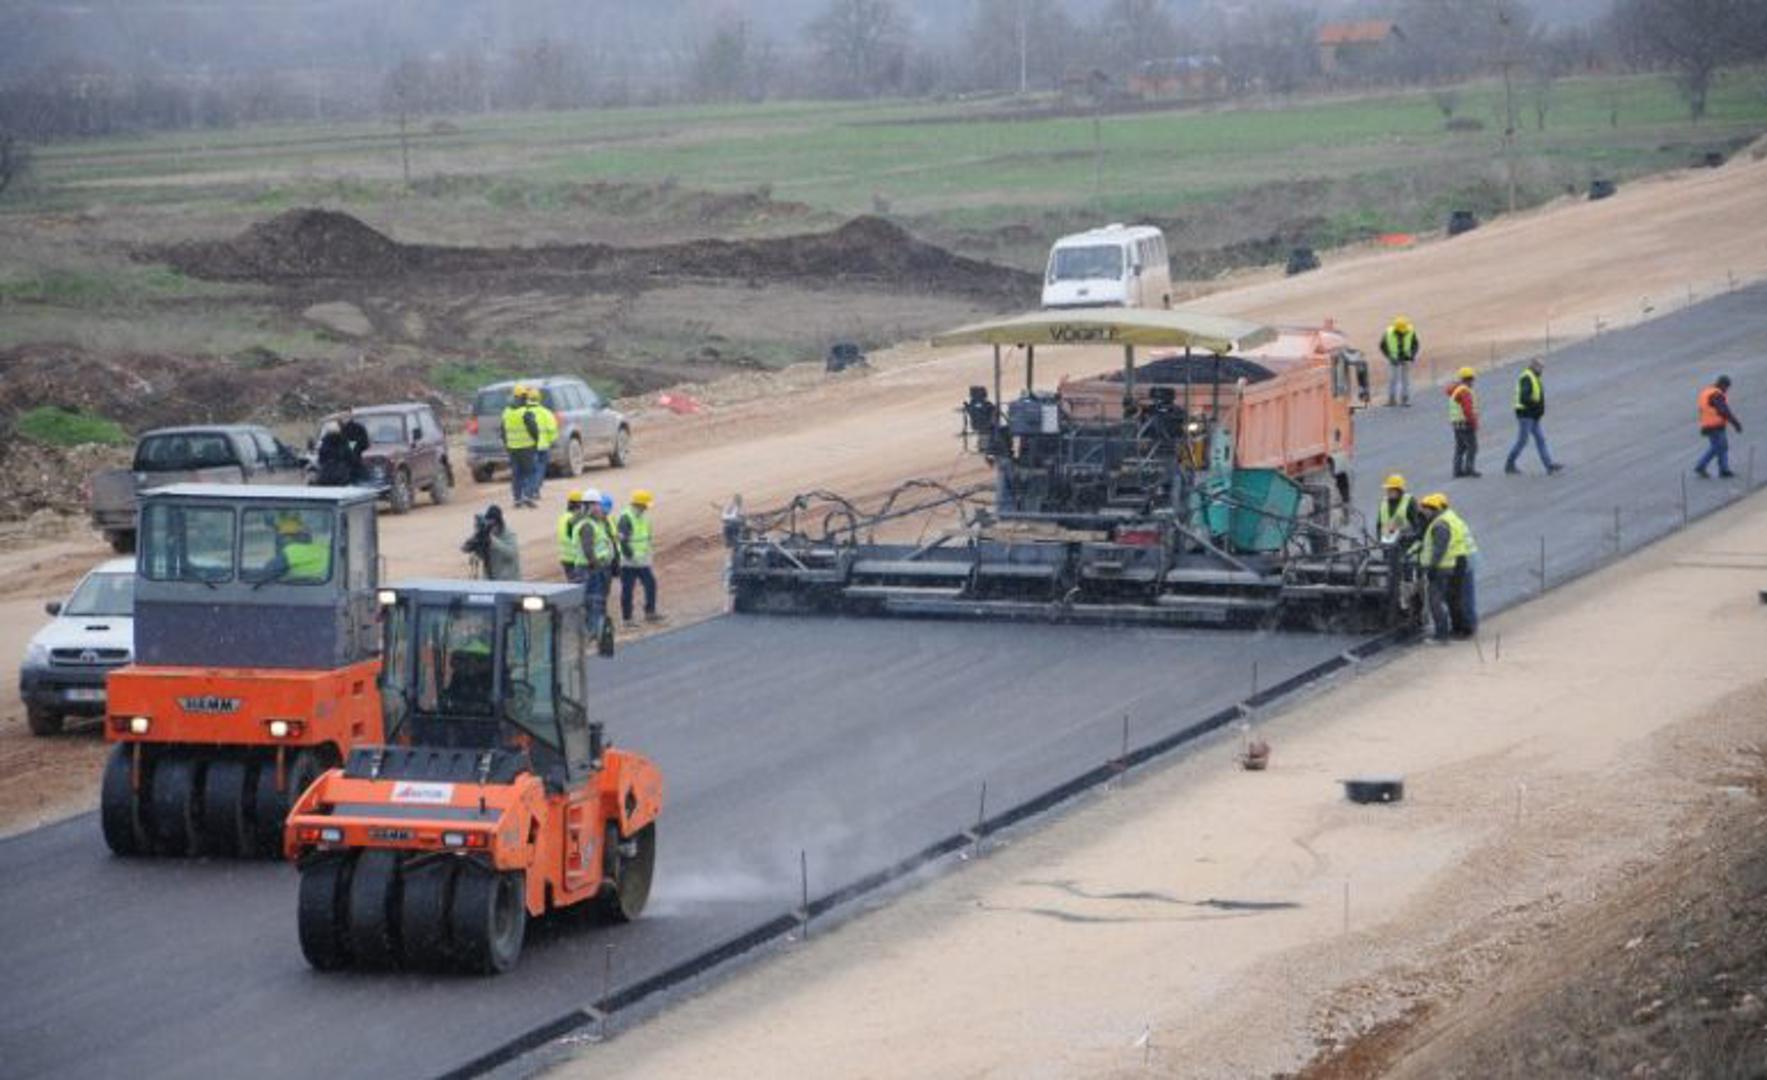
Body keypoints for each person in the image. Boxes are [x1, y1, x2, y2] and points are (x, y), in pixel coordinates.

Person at [1418, 492, 1478, 642]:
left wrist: (1431, 567)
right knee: (1455, 598)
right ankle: (1462, 629)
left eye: (1427, 509)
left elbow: (1439, 548)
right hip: (1458, 561)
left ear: (1435, 509)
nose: (1424, 512)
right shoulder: (1451, 518)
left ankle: (1444, 633)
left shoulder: (1440, 524)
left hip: (1446, 565)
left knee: (1437, 600)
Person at [1504, 358, 1562, 475]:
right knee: (1522, 441)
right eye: (1540, 367)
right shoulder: (1527, 377)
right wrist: (1536, 407)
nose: (1542, 370)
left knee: (1540, 439)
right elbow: (1524, 397)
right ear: (1534, 366)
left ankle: (1549, 466)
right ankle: (1509, 464)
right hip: (1526, 414)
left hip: (1533, 415)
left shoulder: (1534, 377)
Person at [578, 488, 619, 649]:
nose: (599, 508)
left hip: (600, 568)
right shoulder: (587, 526)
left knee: (599, 600)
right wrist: (596, 564)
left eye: (599, 505)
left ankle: (598, 630)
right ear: (589, 506)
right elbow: (588, 549)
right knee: (593, 600)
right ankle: (592, 631)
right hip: (591, 569)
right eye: (596, 505)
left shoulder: (598, 523)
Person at [617, 489, 661, 626]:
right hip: (629, 563)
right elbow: (623, 542)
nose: (647, 508)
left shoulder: (644, 518)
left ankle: (650, 612)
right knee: (627, 590)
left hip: (642, 561)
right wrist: (631, 556)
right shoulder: (625, 518)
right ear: (639, 504)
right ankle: (627, 619)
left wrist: (647, 554)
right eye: (645, 505)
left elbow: (647, 538)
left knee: (651, 584)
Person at [1694, 375, 1743, 479]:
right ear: (1722, 385)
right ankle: (1701, 466)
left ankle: (1723, 469)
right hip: (1715, 426)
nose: (1727, 390)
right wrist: (1736, 423)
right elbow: (1724, 411)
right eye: (1727, 387)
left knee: (1721, 446)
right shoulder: (1716, 395)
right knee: (1718, 447)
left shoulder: (1707, 391)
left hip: (1708, 425)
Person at [501, 385, 541, 509]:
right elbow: (534, 430)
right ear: (524, 397)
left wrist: (507, 445)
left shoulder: (506, 412)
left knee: (516, 474)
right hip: (527, 447)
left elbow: (503, 432)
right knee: (531, 472)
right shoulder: (525, 412)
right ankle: (528, 495)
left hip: (513, 448)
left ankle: (517, 499)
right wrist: (536, 442)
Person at [463, 505, 521, 580]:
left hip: (508, 579)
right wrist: (476, 545)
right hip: (490, 577)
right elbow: (466, 549)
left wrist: (493, 541)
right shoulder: (485, 534)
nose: (492, 528)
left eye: (494, 525)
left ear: (499, 523)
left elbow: (511, 554)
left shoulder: (509, 534)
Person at [526, 387, 559, 506]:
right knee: (540, 469)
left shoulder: (524, 412)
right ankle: (535, 490)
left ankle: (529, 490)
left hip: (528, 447)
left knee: (530, 469)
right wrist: (551, 441)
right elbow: (552, 429)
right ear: (539, 399)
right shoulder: (546, 413)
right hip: (543, 446)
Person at [1448, 366, 1480, 478]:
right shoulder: (1465, 392)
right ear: (1469, 379)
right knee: (1472, 447)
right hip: (1465, 423)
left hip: (1456, 424)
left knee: (1460, 447)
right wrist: (1474, 423)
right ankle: (1469, 469)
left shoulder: (1456, 390)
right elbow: (1467, 410)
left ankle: (1457, 470)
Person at [1380, 315, 1420, 407]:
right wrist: (1389, 357)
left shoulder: (1410, 331)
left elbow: (1415, 345)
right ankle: (1391, 400)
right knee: (1392, 379)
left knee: (1405, 379)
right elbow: (1382, 346)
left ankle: (1405, 399)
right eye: (1401, 331)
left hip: (1406, 358)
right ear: (1396, 329)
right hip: (1394, 359)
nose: (1402, 332)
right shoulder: (1388, 333)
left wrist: (1412, 355)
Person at [1376, 473, 1422, 547]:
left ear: (1399, 490)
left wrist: (1411, 537)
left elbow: (1418, 524)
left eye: (1391, 489)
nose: (1388, 491)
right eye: (1388, 489)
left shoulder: (1409, 501)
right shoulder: (1384, 503)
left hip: (1406, 545)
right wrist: (1380, 540)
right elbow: (1379, 525)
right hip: (1388, 546)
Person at [557, 490, 588, 583]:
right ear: (578, 504)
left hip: (565, 557)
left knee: (572, 586)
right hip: (575, 558)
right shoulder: (574, 519)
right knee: (581, 586)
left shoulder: (563, 517)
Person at [338, 408, 371, 485]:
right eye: (342, 416)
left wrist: (355, 447)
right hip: (338, 465)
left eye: (346, 416)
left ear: (351, 416)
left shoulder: (358, 428)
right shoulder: (336, 429)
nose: (344, 418)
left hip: (355, 463)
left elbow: (365, 444)